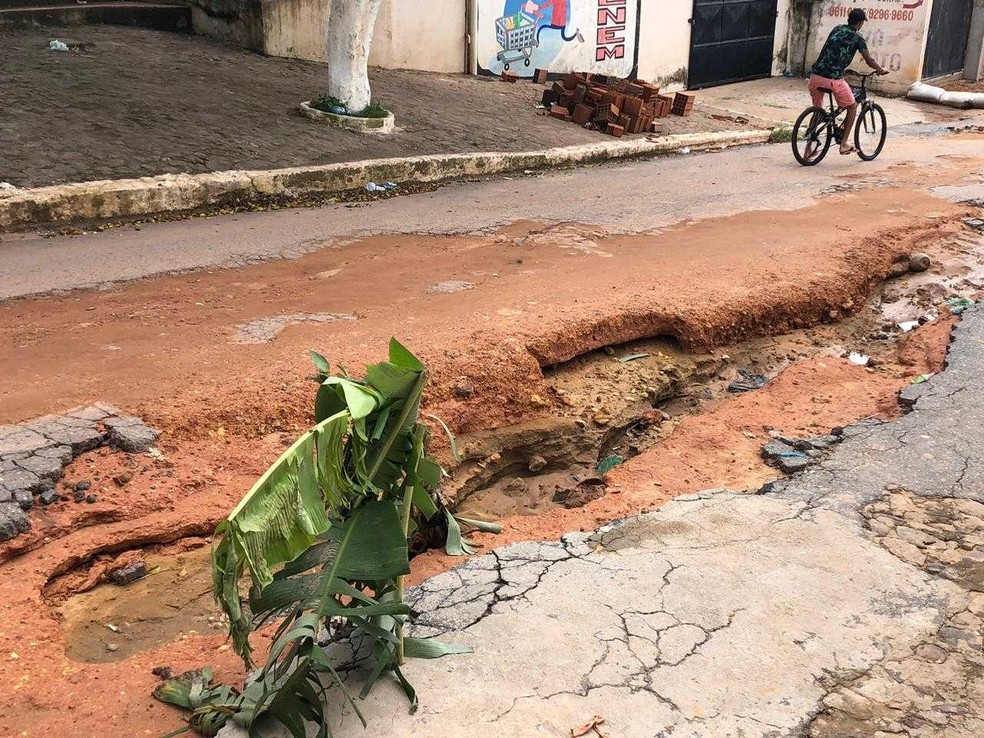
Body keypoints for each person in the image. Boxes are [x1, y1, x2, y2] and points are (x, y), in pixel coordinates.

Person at [809, 8, 888, 155]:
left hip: (815, 76)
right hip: (832, 79)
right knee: (852, 106)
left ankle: (808, 148)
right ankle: (844, 144)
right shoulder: (857, 38)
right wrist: (880, 70)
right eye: (862, 22)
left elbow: (833, 50)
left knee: (818, 110)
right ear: (860, 23)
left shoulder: (837, 28)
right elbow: (869, 60)